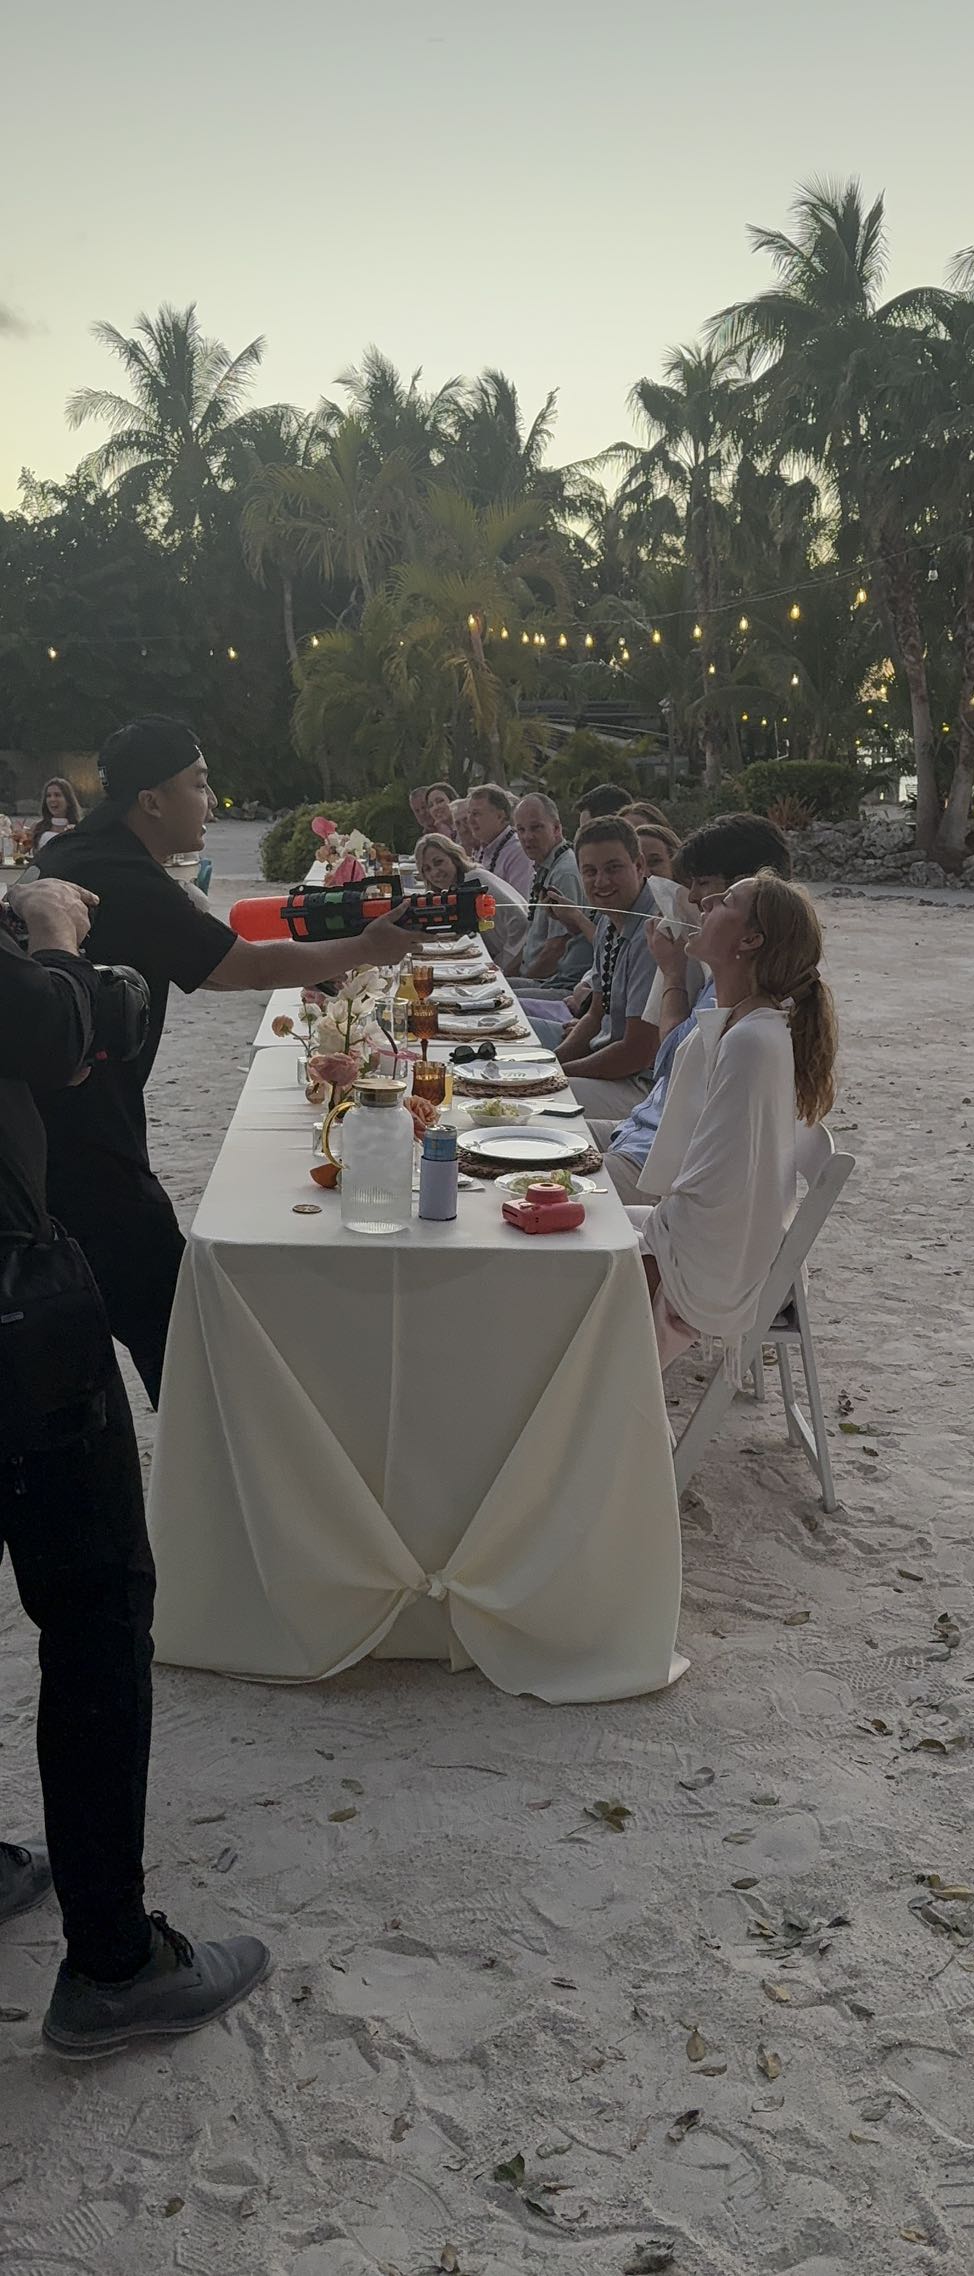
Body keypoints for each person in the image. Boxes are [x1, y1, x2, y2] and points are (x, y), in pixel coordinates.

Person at [0, 872, 270, 2055]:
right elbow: (62, 1034)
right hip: (16, 1311)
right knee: (99, 1609)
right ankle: (114, 1960)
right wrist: (57, 937)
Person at [34, 717, 432, 1408]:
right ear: (151, 800)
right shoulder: (119, 874)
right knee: (177, 1325)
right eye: (199, 784)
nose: (212, 803)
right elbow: (241, 967)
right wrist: (368, 948)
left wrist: (336, 943)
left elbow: (214, 953)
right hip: (76, 1135)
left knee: (114, 1310)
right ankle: (210, 1455)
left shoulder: (87, 853)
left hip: (62, 1121)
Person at [632, 872, 837, 1374]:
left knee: (564, 1257)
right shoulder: (744, 1023)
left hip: (711, 1267)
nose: (703, 903)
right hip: (709, 1244)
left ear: (750, 941)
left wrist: (645, 1260)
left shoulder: (751, 1043)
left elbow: (714, 1195)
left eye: (725, 901)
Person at [590, 814, 791, 1202]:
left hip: (654, 1163)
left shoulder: (748, 1006)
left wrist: (673, 973)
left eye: (706, 886)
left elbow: (666, 1062)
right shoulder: (726, 978)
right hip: (639, 1131)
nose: (694, 898)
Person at [546, 818, 659, 1118]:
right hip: (612, 1071)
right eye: (590, 872)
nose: (601, 882)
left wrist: (554, 1075)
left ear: (639, 865)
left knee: (535, 1103)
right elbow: (596, 1015)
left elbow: (637, 1052)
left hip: (645, 1088)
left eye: (613, 868)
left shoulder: (653, 933)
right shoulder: (609, 921)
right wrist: (549, 1064)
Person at [508, 793, 592, 997]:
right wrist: (504, 975)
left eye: (536, 827)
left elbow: (557, 949)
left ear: (556, 828)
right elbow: (532, 944)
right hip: (536, 976)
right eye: (521, 830)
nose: (527, 837)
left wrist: (522, 983)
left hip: (556, 983)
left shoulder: (564, 873)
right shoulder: (546, 866)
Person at [414, 831, 529, 968]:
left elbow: (521, 920)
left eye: (439, 862)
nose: (435, 872)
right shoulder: (452, 891)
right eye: (427, 869)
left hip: (521, 961)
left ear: (454, 858)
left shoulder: (477, 881)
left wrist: (504, 964)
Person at [466, 783, 534, 900]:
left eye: (476, 814)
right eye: (469, 813)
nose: (470, 820)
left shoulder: (518, 851)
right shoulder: (482, 848)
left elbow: (520, 902)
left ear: (500, 816)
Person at [34, 778, 82, 853]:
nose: (52, 799)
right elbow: (23, 853)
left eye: (57, 795)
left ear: (68, 801)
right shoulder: (38, 827)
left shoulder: (79, 829)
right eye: (48, 796)